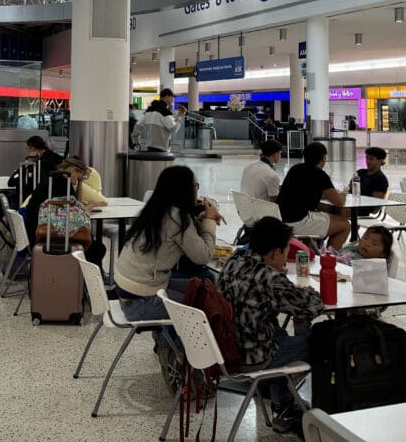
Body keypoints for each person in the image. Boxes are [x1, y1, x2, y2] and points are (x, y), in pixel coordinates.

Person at [217, 216, 324, 434]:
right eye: (285, 252)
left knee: (281, 333)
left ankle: (283, 407)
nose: (285, 258)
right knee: (322, 343)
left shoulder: (233, 262)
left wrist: (276, 276)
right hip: (255, 357)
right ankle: (322, 411)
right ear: (276, 253)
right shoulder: (269, 278)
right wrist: (304, 291)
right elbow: (312, 306)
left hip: (226, 349)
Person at [114, 165, 222, 323]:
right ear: (185, 190)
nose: (197, 190)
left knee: (202, 288)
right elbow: (203, 256)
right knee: (207, 302)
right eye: (195, 186)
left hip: (127, 292)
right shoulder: (177, 218)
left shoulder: (156, 210)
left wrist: (200, 220)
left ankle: (168, 345)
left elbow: (184, 239)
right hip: (140, 303)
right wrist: (209, 221)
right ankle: (177, 346)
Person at [277, 142, 351, 249]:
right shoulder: (320, 175)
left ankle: (315, 247)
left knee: (326, 213)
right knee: (345, 225)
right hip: (298, 222)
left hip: (281, 219)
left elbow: (303, 191)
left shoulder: (295, 169)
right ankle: (330, 258)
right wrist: (344, 194)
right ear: (323, 158)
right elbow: (339, 202)